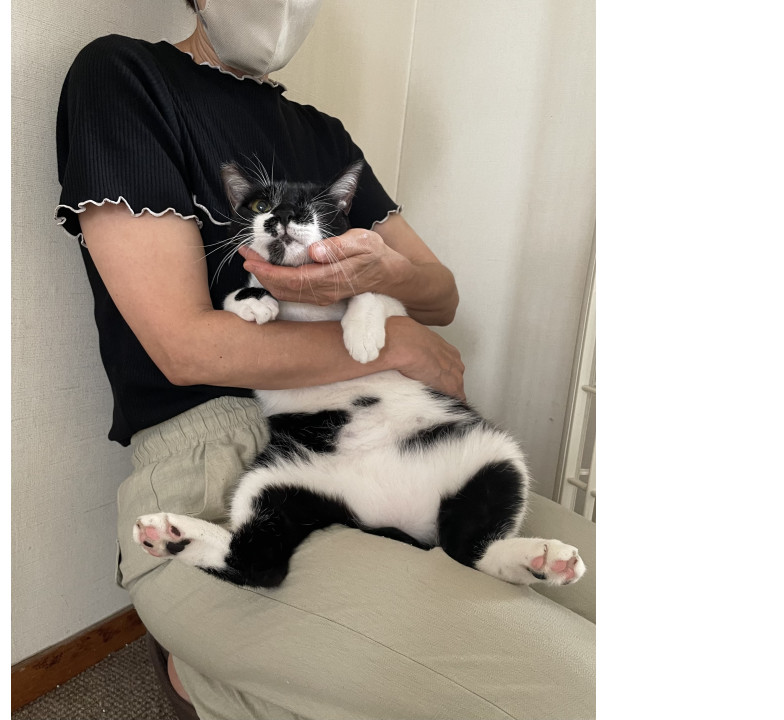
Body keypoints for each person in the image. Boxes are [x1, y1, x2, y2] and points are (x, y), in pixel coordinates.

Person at [55, 2, 595, 718]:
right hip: (220, 472)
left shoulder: (323, 135)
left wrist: (386, 274)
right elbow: (185, 350)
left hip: (396, 447)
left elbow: (440, 294)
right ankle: (226, 664)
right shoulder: (126, 76)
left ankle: (268, 674)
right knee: (580, 687)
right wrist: (398, 343)